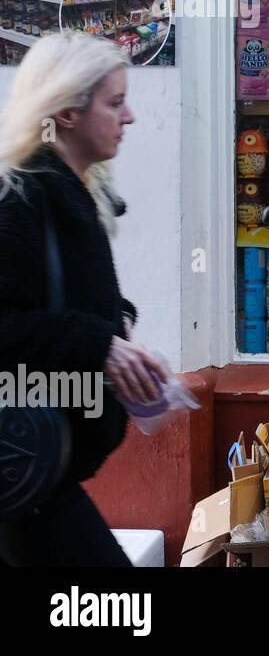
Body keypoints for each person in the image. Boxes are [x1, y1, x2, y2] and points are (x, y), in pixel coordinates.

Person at [0, 32, 169, 566]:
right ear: (68, 112)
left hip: (40, 476)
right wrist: (100, 344)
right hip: (20, 476)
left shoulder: (75, 192)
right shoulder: (18, 200)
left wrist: (119, 330)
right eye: (115, 102)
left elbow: (62, 301)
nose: (130, 117)